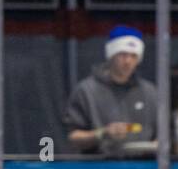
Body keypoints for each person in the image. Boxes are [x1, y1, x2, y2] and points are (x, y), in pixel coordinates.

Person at [65, 25, 158, 155]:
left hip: (143, 168)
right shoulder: (86, 91)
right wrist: (102, 133)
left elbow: (162, 134)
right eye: (122, 55)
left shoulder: (150, 92)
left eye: (133, 56)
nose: (128, 61)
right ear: (111, 55)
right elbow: (72, 137)